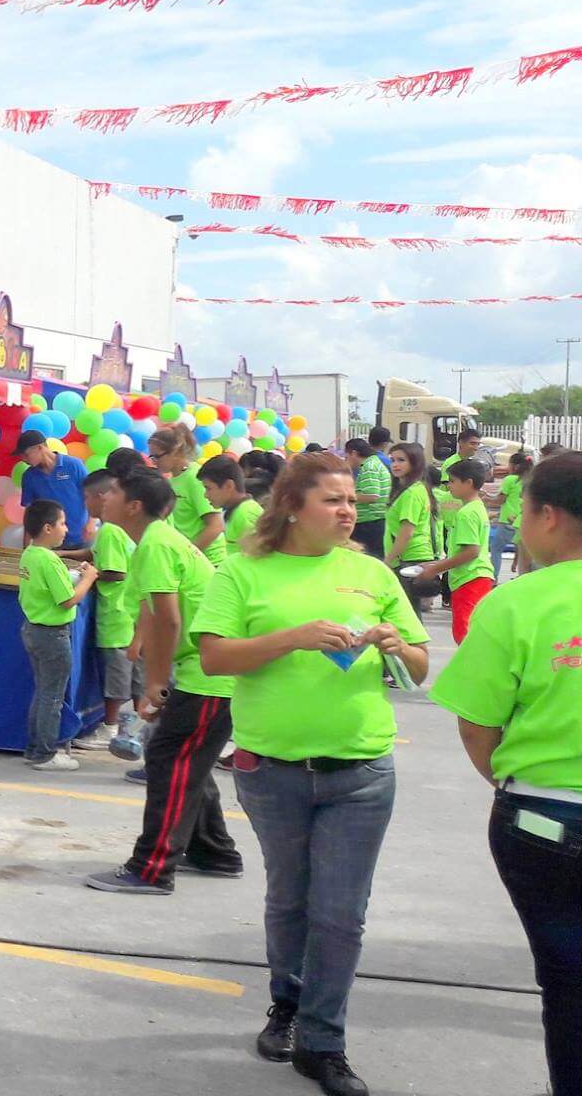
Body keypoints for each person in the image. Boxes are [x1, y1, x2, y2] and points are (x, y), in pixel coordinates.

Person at [194, 452, 431, 1096]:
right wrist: (292, 638)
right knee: (290, 899)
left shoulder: (371, 572)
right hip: (273, 770)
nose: (348, 510)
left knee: (341, 913)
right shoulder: (243, 571)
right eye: (332, 499)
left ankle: (323, 1043)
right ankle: (287, 1005)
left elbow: (419, 665)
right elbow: (214, 657)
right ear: (293, 507)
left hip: (361, 770)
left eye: (351, 500)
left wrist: (397, 644)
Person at [433, 452, 582, 1096]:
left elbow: (477, 726)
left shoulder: (515, 602)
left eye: (523, 511)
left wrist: (509, 783)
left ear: (548, 516)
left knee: (570, 985)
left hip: (545, 820)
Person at [85, 468, 243, 895]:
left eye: (112, 492)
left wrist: (154, 682)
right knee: (187, 761)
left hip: (209, 676)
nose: (104, 497)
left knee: (170, 762)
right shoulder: (155, 540)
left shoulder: (155, 544)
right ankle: (213, 851)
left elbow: (170, 619)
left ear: (134, 506)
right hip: (205, 670)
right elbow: (154, 609)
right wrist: (140, 641)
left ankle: (152, 868)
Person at [15, 500, 99, 773]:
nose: (66, 528)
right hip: (52, 635)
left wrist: (75, 574)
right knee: (52, 697)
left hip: (33, 629)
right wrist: (88, 578)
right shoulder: (49, 560)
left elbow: (52, 583)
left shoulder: (30, 554)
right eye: (62, 523)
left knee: (43, 692)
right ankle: (45, 754)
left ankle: (34, 749)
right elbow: (67, 600)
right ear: (48, 528)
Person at [83, 471, 142, 757]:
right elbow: (96, 555)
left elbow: (116, 572)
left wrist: (89, 576)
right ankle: (139, 727)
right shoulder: (118, 529)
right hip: (130, 614)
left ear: (100, 497)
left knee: (117, 677)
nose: (85, 504)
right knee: (136, 676)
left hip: (116, 615)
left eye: (86, 498)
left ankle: (110, 725)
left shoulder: (108, 531)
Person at [412, 461, 496, 644]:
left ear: (468, 483)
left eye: (452, 481)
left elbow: (471, 551)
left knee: (464, 633)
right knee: (469, 630)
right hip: (474, 577)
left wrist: (435, 569)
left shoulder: (466, 513)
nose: (449, 486)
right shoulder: (477, 507)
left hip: (470, 578)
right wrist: (434, 564)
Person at [147, 423, 226, 565]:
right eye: (151, 457)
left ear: (175, 452)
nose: (154, 462)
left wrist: (188, 555)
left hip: (209, 560)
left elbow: (215, 525)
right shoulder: (171, 481)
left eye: (157, 457)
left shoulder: (195, 479)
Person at [15, 429, 92, 558]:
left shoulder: (74, 465)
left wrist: (91, 524)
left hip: (82, 537)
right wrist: (26, 547)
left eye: (26, 454)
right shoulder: (29, 477)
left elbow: (91, 493)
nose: (23, 459)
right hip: (51, 541)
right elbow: (30, 512)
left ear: (40, 448)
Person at [384, 442, 441, 602]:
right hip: (411, 556)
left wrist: (389, 559)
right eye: (392, 460)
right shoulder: (415, 489)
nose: (395, 465)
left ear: (414, 463)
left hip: (409, 558)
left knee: (406, 608)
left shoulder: (412, 493)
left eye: (401, 460)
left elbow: (406, 532)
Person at [198, 455, 263, 559]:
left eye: (208, 488)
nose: (206, 495)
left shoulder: (246, 514)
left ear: (229, 485)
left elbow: (259, 558)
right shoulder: (237, 511)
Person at [345, 438, 391, 557]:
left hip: (369, 522)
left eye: (346, 457)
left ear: (353, 453)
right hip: (373, 521)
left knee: (367, 557)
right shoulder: (373, 463)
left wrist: (346, 498)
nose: (346, 461)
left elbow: (371, 495)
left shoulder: (369, 467)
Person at [493, 451, 532, 578]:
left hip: (507, 520)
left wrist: (484, 498)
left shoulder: (510, 479)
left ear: (514, 466)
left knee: (496, 549)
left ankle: (494, 577)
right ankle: (522, 575)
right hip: (522, 520)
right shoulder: (530, 480)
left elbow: (500, 500)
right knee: (522, 550)